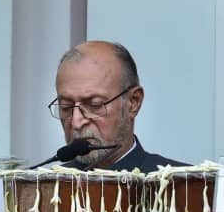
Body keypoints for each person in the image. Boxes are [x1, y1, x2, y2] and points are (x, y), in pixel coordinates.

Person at [49, 40, 187, 173]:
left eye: (94, 105)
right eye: (66, 107)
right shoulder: (46, 184)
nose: (76, 122)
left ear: (133, 102)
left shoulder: (182, 184)